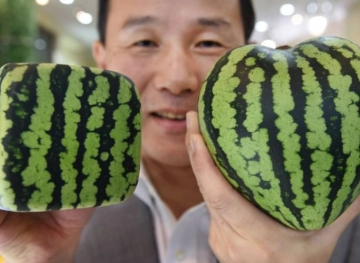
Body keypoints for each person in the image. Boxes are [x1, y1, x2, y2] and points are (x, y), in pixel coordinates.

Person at [1, 0, 360, 262]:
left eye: (208, 43)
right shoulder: (50, 206)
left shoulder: (338, 205)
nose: (177, 80)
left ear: (247, 54)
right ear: (103, 58)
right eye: (144, 42)